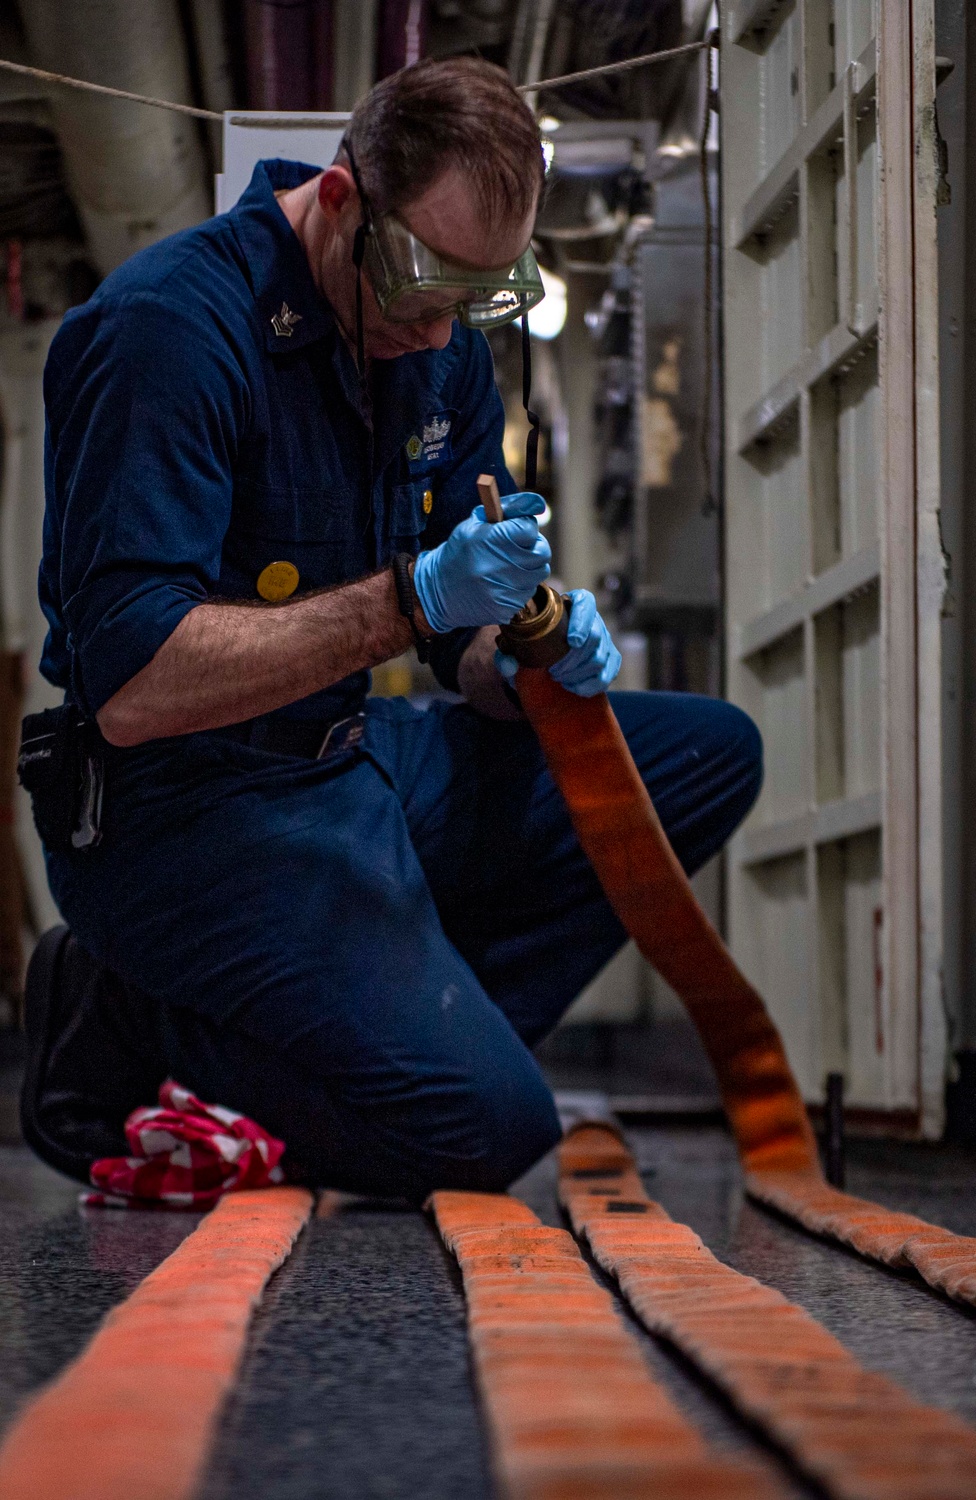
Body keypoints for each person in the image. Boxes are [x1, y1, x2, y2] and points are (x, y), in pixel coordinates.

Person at [20, 57, 762, 1200]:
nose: (435, 335)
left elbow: (455, 650)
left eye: (473, 299)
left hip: (345, 762)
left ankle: (399, 1040)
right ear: (339, 197)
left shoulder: (441, 349)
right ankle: (127, 1019)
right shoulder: (167, 333)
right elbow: (135, 685)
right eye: (417, 289)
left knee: (707, 754)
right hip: (177, 815)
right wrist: (412, 596)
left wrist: (526, 648)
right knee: (484, 1134)